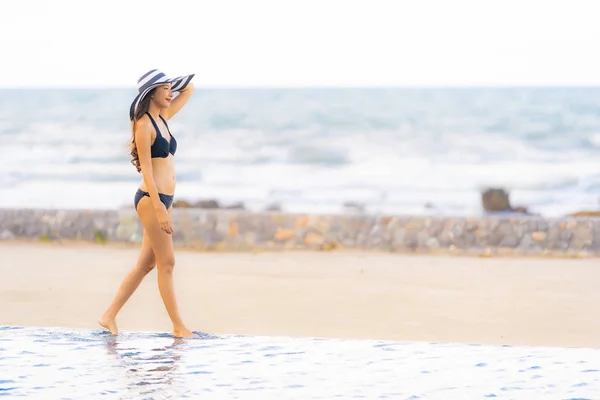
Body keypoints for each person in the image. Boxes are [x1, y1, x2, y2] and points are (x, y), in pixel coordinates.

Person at [99, 69, 197, 338]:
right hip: (151, 200)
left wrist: (170, 83)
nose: (170, 93)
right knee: (167, 263)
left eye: (169, 88)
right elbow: (147, 171)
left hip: (164, 200)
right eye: (164, 89)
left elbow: (189, 89)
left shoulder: (162, 117)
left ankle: (108, 315)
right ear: (150, 93)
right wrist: (159, 208)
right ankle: (178, 327)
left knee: (146, 264)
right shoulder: (144, 124)